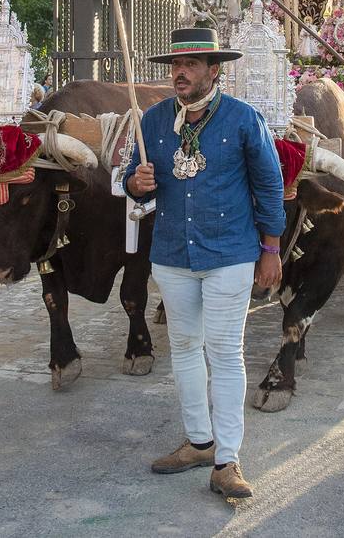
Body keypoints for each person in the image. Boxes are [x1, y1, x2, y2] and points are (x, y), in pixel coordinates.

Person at [124, 28, 284, 500]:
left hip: (230, 252)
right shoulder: (151, 122)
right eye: (175, 65)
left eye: (192, 65)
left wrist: (271, 249)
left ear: (215, 70)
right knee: (184, 346)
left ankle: (227, 460)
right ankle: (198, 441)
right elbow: (132, 184)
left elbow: (269, 185)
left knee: (224, 350)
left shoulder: (242, 119)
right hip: (172, 253)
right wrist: (138, 181)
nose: (180, 73)